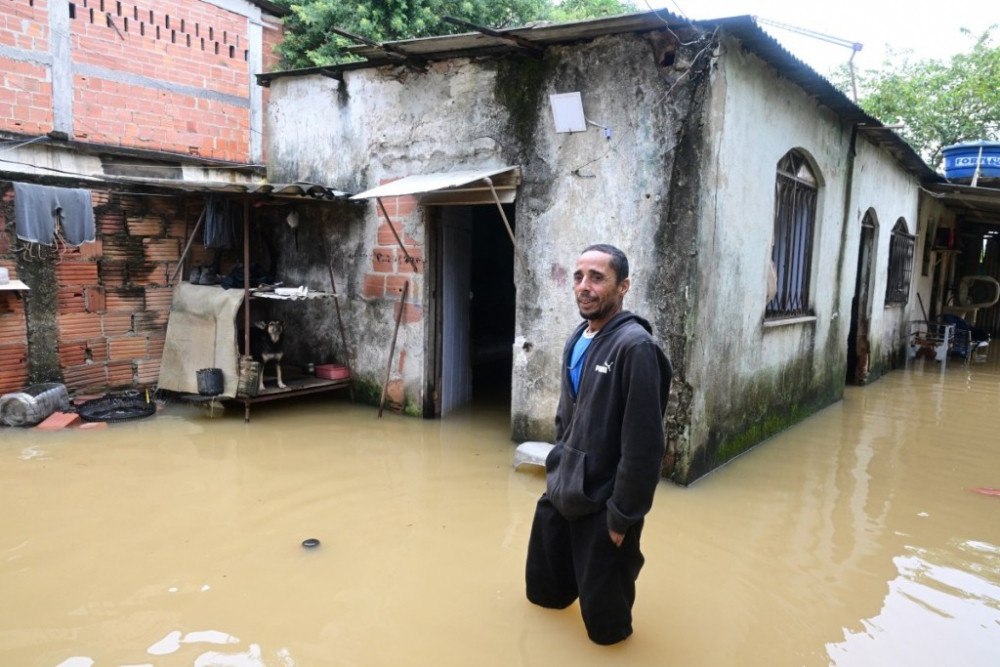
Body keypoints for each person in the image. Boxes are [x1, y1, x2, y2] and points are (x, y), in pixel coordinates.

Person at [525, 243, 672, 645]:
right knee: (543, 593)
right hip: (563, 489)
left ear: (623, 286)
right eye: (578, 276)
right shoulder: (580, 336)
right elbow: (566, 415)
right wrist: (558, 469)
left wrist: (622, 516)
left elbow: (644, 445)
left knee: (607, 630)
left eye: (597, 277)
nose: (584, 286)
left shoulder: (635, 347)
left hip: (605, 504)